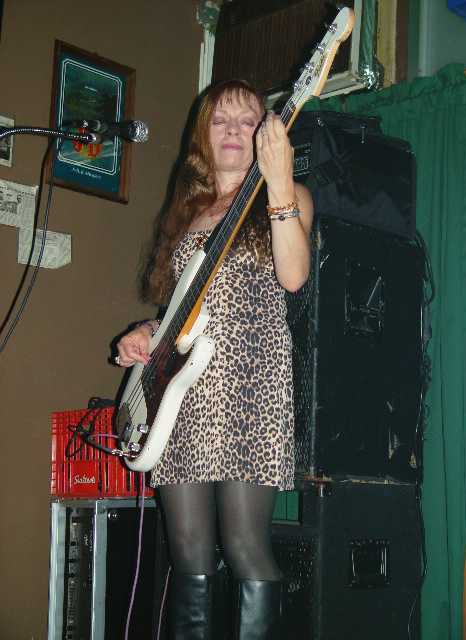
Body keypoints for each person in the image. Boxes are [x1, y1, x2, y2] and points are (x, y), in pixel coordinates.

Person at [115, 79, 314, 640]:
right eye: (220, 119)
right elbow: (182, 310)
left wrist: (278, 180)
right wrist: (146, 333)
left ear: (264, 134)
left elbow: (294, 277)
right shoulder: (189, 212)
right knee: (188, 550)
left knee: (246, 543)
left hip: (251, 384)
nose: (233, 130)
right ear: (203, 134)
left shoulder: (287, 194)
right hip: (183, 394)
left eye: (247, 120)